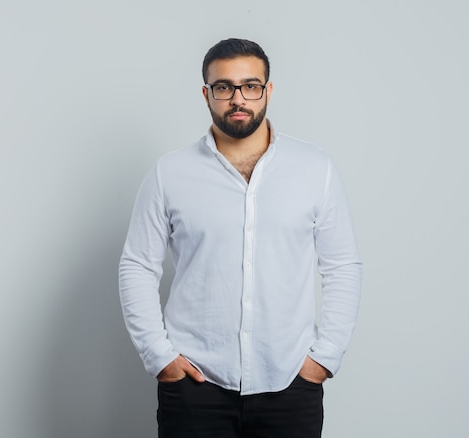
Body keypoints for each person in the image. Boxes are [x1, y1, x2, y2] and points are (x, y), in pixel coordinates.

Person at [118, 38, 362, 438]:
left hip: (289, 385)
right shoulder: (169, 174)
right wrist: (160, 357)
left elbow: (343, 266)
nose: (238, 98)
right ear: (207, 94)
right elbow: (137, 266)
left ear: (267, 90)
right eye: (224, 87)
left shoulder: (315, 169)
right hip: (196, 386)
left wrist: (324, 357)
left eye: (250, 86)